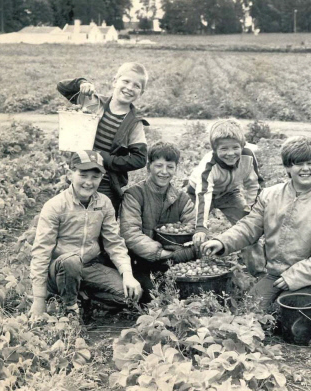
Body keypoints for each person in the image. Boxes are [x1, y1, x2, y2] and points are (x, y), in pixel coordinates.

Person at [201, 136, 311, 310]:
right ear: (287, 167)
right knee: (249, 310)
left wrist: (293, 277)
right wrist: (222, 241)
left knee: (292, 312)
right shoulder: (270, 195)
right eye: (298, 164)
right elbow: (250, 226)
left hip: (310, 276)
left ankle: (304, 299)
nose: (305, 169)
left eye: (310, 163)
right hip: (274, 274)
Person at [30, 150, 142, 318]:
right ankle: (70, 307)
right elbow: (42, 251)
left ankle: (82, 296)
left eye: (95, 177)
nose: (89, 182)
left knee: (130, 296)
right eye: (83, 175)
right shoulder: (55, 206)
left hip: (89, 266)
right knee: (71, 261)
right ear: (70, 175)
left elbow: (114, 242)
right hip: (60, 269)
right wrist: (39, 299)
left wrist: (127, 274)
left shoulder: (104, 203)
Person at [57, 62, 149, 214]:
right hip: (80, 176)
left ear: (142, 92)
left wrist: (105, 158)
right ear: (115, 81)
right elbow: (62, 87)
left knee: (101, 224)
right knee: (71, 218)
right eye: (125, 81)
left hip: (106, 184)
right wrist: (82, 83)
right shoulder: (94, 102)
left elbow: (139, 159)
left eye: (136, 86)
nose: (129, 88)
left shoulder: (134, 123)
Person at [120, 142, 197, 303]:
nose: (164, 172)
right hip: (140, 261)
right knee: (155, 297)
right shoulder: (135, 195)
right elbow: (130, 234)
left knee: (188, 296)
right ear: (149, 167)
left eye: (170, 166)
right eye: (159, 166)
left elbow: (192, 230)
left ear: (176, 168)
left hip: (175, 260)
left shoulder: (182, 199)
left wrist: (180, 253)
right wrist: (164, 254)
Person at [187, 118, 264, 249]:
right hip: (198, 195)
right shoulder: (208, 166)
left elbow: (254, 184)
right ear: (214, 149)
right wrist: (200, 227)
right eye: (224, 148)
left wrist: (251, 209)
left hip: (229, 194)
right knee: (190, 229)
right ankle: (191, 258)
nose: (230, 153)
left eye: (235, 147)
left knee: (249, 228)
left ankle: (255, 266)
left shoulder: (248, 156)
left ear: (242, 145)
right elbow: (203, 194)